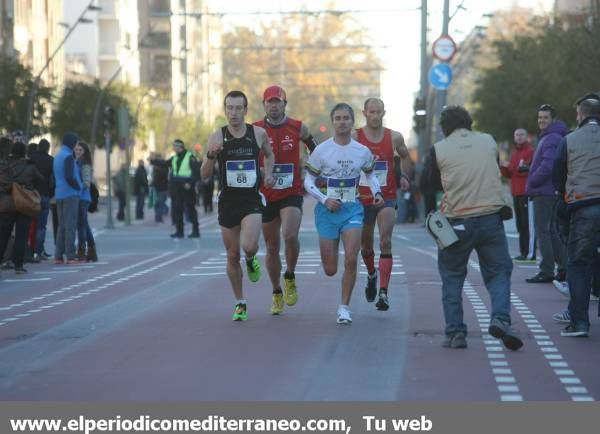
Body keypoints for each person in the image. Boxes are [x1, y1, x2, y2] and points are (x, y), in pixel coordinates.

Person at [428, 105, 523, 350]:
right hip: (491, 218)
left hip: (456, 221)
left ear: (444, 127)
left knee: (452, 276)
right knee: (499, 272)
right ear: (469, 122)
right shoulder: (488, 141)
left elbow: (428, 184)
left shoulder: (439, 149)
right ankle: (501, 319)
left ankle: (455, 333)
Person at [304, 102, 383, 324]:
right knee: (330, 269)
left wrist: (376, 192)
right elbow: (308, 181)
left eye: (345, 118)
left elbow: (371, 175)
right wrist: (324, 199)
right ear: (332, 122)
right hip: (327, 210)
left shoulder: (362, 151)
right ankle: (334, 254)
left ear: (352, 122)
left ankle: (344, 308)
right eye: (337, 118)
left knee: (351, 257)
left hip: (352, 208)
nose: (342, 122)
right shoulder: (321, 151)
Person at [202, 90, 275, 321]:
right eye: (229, 108)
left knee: (249, 245)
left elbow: (270, 155)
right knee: (232, 255)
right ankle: (240, 303)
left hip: (251, 200)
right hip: (227, 202)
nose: (233, 113)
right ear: (225, 110)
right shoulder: (216, 137)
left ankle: (252, 258)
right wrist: (211, 156)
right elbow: (204, 175)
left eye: (238, 108)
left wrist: (269, 173)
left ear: (245, 110)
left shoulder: (258, 133)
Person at [253, 85, 319, 315]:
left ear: (284, 104)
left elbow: (316, 151)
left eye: (277, 101)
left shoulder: (298, 127)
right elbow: (247, 157)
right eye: (269, 102)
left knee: (290, 235)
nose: (273, 105)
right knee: (272, 247)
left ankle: (289, 274)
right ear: (264, 105)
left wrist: (312, 172)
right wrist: (260, 173)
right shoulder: (256, 129)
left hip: (291, 190)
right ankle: (276, 291)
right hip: (265, 192)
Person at [352, 97, 412, 311]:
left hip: (386, 195)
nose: (375, 116)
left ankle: (384, 293)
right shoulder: (355, 136)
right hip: (362, 197)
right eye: (372, 112)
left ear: (383, 113)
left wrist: (403, 174)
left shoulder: (394, 137)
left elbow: (405, 155)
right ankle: (371, 274)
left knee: (385, 241)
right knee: (366, 244)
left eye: (379, 112)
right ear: (365, 113)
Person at [552, 96, 600, 337]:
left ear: (580, 116)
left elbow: (557, 173)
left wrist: (564, 195)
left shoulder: (569, 140)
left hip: (584, 206)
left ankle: (579, 322)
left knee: (578, 264)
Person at [525, 104, 568, 283]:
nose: (541, 120)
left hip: (544, 191)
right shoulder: (553, 137)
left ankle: (547, 270)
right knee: (551, 231)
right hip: (550, 191)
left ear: (553, 120)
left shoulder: (551, 138)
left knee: (543, 230)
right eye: (540, 117)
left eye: (545, 117)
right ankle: (564, 267)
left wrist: (532, 180)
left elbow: (549, 165)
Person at [0, 141, 43, 273]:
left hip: (8, 204)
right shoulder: (30, 166)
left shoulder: (6, 164)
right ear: (24, 152)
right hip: (25, 203)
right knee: (21, 235)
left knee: (3, 235)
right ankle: (18, 265)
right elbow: (40, 179)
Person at [151, 140, 200, 238]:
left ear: (180, 147)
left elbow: (196, 173)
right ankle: (179, 231)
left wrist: (190, 183)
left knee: (190, 209)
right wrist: (153, 161)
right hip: (176, 187)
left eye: (175, 146)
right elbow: (165, 163)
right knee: (177, 209)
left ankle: (195, 231)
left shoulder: (190, 157)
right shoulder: (174, 158)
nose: (173, 148)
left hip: (187, 187)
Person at [500, 128, 535, 262]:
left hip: (526, 192)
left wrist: (513, 168)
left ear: (527, 137)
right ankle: (523, 252)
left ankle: (529, 252)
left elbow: (529, 171)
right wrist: (504, 167)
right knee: (520, 224)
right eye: (517, 135)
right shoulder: (514, 153)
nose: (519, 137)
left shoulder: (531, 152)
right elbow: (510, 174)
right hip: (515, 192)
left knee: (527, 224)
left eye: (521, 134)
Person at [53, 132, 82, 264]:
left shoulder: (58, 156)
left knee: (61, 226)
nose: (76, 145)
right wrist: (77, 186)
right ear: (72, 143)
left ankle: (58, 255)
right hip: (70, 194)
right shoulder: (68, 157)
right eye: (75, 142)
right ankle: (70, 255)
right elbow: (70, 176)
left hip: (59, 193)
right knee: (70, 225)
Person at [30, 138, 54, 260]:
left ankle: (30, 250)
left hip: (31, 195)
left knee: (31, 224)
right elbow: (52, 180)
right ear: (48, 148)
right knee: (41, 225)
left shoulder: (32, 159)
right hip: (44, 195)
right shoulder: (51, 160)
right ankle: (38, 251)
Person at [74, 142, 97, 262]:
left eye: (80, 150)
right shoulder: (77, 162)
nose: (77, 152)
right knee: (84, 225)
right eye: (76, 150)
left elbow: (86, 182)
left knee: (81, 226)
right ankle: (92, 251)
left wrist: (77, 190)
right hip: (81, 198)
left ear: (85, 152)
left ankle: (82, 251)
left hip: (83, 198)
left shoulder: (85, 164)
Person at [150, 153, 169, 223]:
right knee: (158, 203)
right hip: (159, 187)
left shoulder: (163, 167)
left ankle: (158, 216)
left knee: (160, 202)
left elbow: (163, 176)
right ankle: (158, 216)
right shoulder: (156, 168)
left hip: (161, 187)